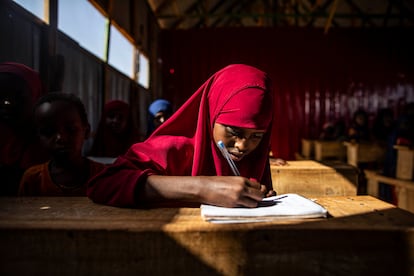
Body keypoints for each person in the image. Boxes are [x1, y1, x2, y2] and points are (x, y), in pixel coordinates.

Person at [87, 64, 277, 208]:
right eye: (234, 132)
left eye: (257, 136)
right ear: (211, 113)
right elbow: (103, 183)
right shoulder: (173, 147)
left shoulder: (255, 154)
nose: (243, 146)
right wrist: (203, 188)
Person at [18, 93, 106, 196]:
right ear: (38, 138)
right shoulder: (33, 179)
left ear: (86, 132)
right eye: (48, 132)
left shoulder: (104, 175)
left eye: (71, 130)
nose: (61, 138)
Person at [0, 62, 49, 196]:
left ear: (36, 97)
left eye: (18, 97)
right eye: (0, 97)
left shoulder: (53, 144)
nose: (6, 104)